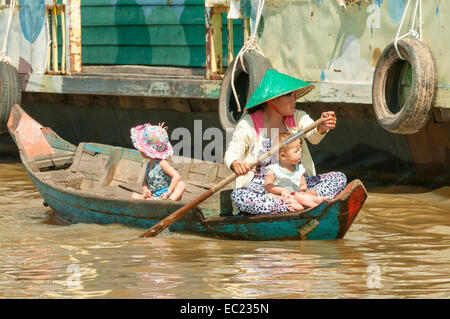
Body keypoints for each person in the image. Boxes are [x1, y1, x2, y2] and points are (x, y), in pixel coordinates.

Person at [224, 69, 346, 214]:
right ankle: (298, 203)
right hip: (264, 188)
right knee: (239, 197)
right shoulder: (249, 124)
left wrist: (322, 127)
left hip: (297, 183)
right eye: (289, 96)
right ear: (273, 99)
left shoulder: (297, 117)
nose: (294, 100)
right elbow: (233, 151)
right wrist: (235, 163)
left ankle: (300, 199)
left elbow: (313, 134)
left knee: (339, 178)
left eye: (295, 95)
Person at [264, 132, 327, 212]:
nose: (300, 153)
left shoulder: (299, 168)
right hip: (278, 196)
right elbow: (267, 185)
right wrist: (281, 190)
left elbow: (303, 184)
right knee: (271, 200)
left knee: (301, 195)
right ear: (283, 156)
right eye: (296, 151)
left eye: (300, 150)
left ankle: (306, 202)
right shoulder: (273, 169)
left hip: (295, 195)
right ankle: (304, 204)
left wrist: (302, 191)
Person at [130, 122, 186, 201]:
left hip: (167, 196)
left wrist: (168, 192)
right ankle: (157, 203)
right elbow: (145, 181)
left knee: (181, 185)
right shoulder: (149, 164)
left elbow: (176, 176)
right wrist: (145, 189)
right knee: (134, 196)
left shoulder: (161, 163)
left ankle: (169, 202)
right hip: (155, 197)